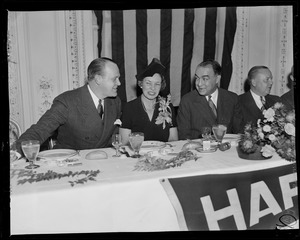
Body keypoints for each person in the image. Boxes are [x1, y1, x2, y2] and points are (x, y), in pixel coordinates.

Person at [16, 57, 122, 155]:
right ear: (98, 79)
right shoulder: (67, 101)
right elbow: (40, 130)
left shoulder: (115, 102)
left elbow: (113, 138)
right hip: (71, 162)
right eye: (115, 79)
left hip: (103, 160)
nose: (119, 83)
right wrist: (17, 152)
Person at [177, 59, 243, 140]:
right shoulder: (187, 101)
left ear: (217, 79)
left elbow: (239, 133)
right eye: (197, 78)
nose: (199, 84)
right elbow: (184, 137)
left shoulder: (232, 98)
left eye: (205, 79)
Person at [119, 58, 178, 144]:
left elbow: (173, 139)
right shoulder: (129, 108)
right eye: (148, 83)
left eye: (157, 84)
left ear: (161, 86)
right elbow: (124, 143)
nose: (152, 88)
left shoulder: (168, 107)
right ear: (141, 84)